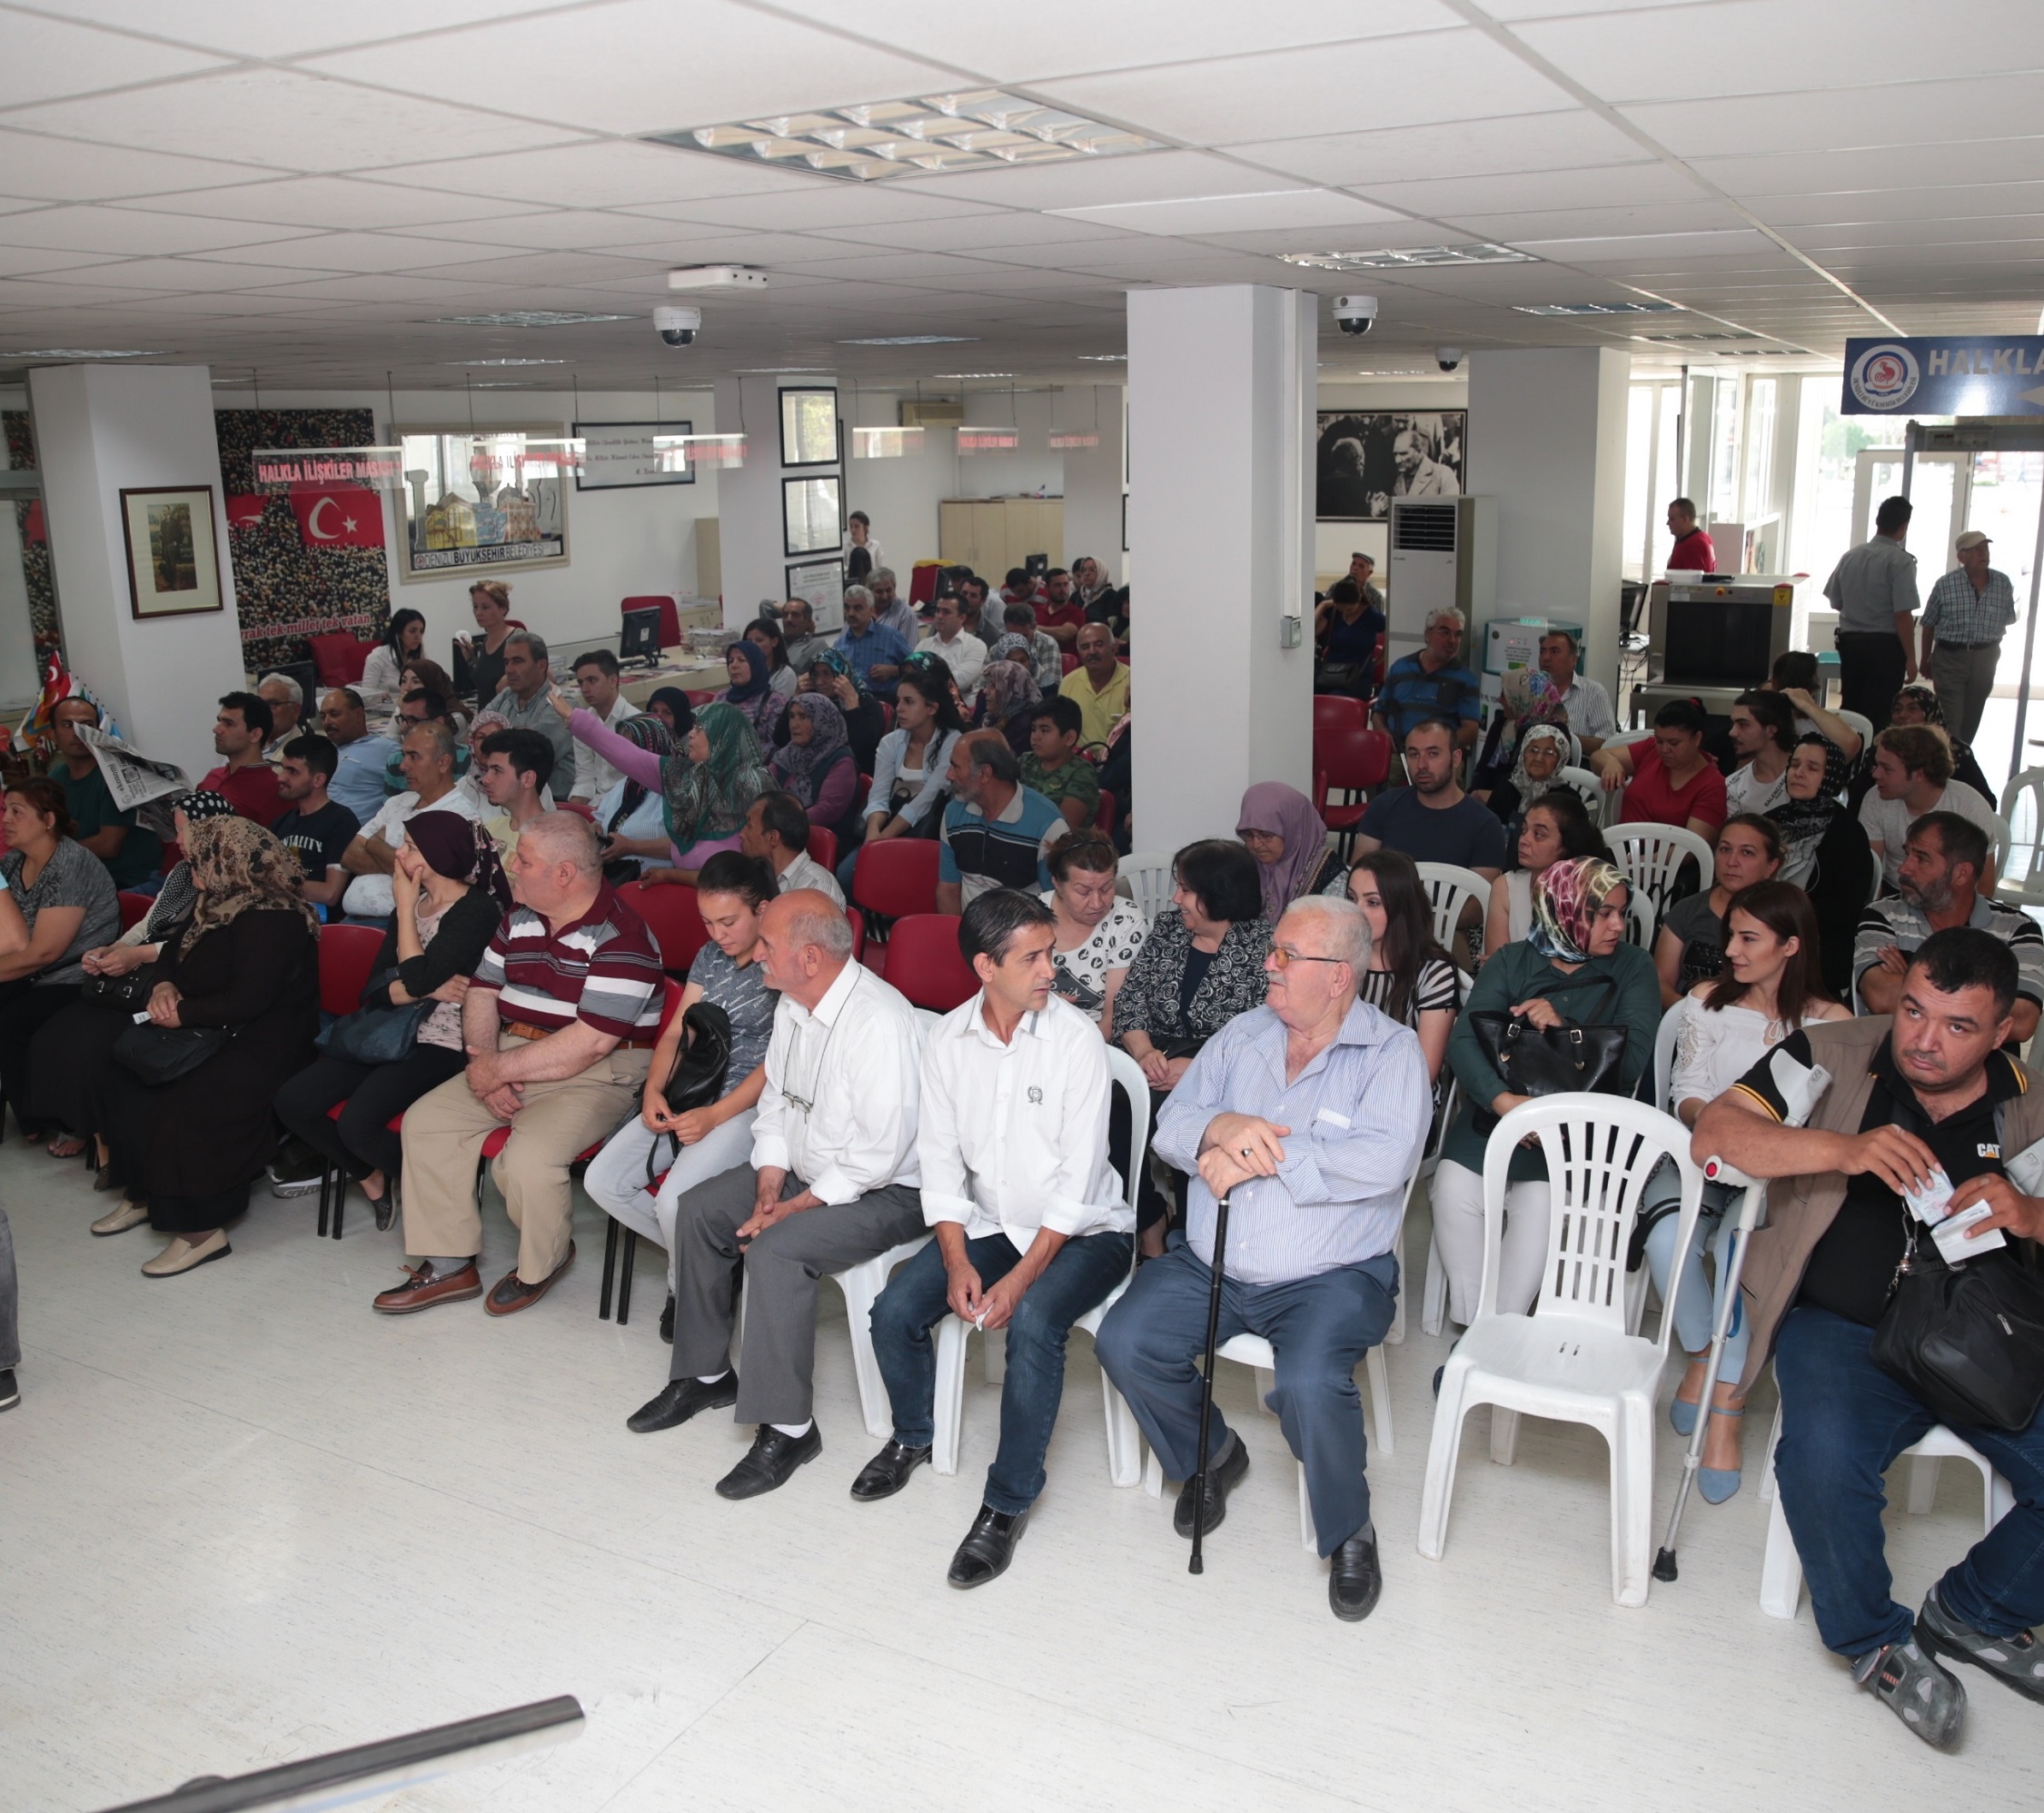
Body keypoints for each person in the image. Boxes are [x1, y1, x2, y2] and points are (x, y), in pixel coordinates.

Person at [1692, 928, 2044, 1751]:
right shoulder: (1830, 1051)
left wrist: (2030, 1215)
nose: (1923, 1039)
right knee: (1819, 1461)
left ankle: (1975, 1612)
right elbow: (1716, 1133)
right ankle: (1873, 1640)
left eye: (1958, 1026)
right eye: (1915, 1009)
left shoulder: (2031, 1104)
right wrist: (1844, 1149)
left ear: (2004, 1032)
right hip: (1843, 1328)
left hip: (1983, 1332)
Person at [1097, 895, 1430, 1621]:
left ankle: (1349, 1529)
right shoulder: (1242, 1036)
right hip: (1214, 1258)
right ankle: (1211, 1454)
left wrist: (1256, 1154)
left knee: (1310, 1382)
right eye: (1271, 951)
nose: (1267, 965)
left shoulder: (1391, 1052)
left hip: (1332, 1276)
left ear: (1339, 975)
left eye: (1285, 956)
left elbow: (1385, 1159)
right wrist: (1222, 1125)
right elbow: (1171, 1128)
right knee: (1125, 1340)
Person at [858, 889, 1133, 1584]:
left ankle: (1006, 1504)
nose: (1052, 970)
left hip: (1087, 1231)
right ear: (986, 966)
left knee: (1035, 1322)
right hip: (990, 1223)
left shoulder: (1076, 1042)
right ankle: (912, 1437)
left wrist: (1018, 1278)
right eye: (1033, 957)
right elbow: (942, 1166)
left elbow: (1075, 1186)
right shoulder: (947, 1041)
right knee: (893, 1311)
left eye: (1051, 953)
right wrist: (955, 1260)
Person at [625, 892, 928, 1501]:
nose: (755, 954)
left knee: (778, 1249)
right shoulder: (795, 1003)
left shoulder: (881, 1022)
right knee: (703, 1210)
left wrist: (797, 1204)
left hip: (887, 1189)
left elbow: (881, 1151)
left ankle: (790, 1428)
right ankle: (705, 1373)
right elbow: (779, 1105)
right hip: (808, 1169)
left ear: (810, 958)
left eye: (768, 945)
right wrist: (770, 1174)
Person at [372, 813, 663, 1317]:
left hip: (598, 1073)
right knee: (426, 1124)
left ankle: (543, 1261)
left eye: (524, 860)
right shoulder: (520, 916)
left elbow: (590, 1044)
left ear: (564, 873)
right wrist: (485, 1063)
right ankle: (449, 1263)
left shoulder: (625, 936)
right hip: (510, 1051)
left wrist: (497, 1071)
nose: (511, 865)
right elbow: (483, 990)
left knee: (526, 1161)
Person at [1647, 882, 1851, 1499]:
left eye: (1747, 939)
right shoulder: (1706, 1001)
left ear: (1790, 946)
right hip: (1704, 1154)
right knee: (1664, 1239)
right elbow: (1686, 1090)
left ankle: (1724, 1411)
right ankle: (1709, 1359)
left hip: (1783, 1175)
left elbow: (1825, 1121)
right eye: (1731, 934)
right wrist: (1722, 1132)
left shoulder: (1832, 1022)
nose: (1730, 949)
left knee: (1744, 1257)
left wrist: (1765, 1149)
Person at [1432, 857, 1661, 1323]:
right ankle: (1478, 1325)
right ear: (1564, 910)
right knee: (1453, 1189)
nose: (1618, 925)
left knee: (1541, 1204)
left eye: (1622, 912)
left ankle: (1498, 1328)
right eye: (1604, 914)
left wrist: (1565, 1028)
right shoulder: (1514, 960)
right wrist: (1506, 1105)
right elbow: (1462, 1042)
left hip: (1578, 1130)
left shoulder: (1634, 968)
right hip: (1497, 1114)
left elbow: (1633, 1062)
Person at [98, 816, 320, 1277]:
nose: (187, 860)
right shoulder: (216, 901)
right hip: (208, 1026)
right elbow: (171, 955)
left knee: (187, 1101)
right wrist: (162, 989)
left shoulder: (274, 917)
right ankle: (143, 1192)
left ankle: (200, 1231)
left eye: (198, 855)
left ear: (228, 859)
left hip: (261, 1041)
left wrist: (185, 1013)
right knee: (126, 1078)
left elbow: (250, 999)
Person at [273, 813, 509, 1231]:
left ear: (441, 854)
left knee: (357, 1123)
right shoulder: (413, 901)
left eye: (412, 847)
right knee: (293, 1101)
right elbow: (374, 989)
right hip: (387, 1027)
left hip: (443, 1042)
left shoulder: (476, 910)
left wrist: (404, 919)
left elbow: (410, 977)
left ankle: (440, 1184)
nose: (399, 854)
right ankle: (370, 1175)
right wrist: (424, 986)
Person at [583, 851, 779, 1332]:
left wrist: (716, 1116)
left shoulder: (782, 962)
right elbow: (676, 1032)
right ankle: (711, 1264)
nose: (717, 934)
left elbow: (781, 1063)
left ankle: (684, 1285)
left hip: (746, 1105)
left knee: (675, 1204)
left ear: (764, 910)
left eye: (729, 921)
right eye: (708, 922)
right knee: (602, 1181)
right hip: (695, 1086)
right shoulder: (711, 956)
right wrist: (654, 1090)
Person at [27, 792, 234, 1195]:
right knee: (55, 1037)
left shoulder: (227, 877)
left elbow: (202, 944)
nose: (177, 840)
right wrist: (115, 949)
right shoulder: (181, 873)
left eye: (183, 830)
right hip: (143, 966)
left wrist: (137, 955)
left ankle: (110, 1149)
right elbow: (149, 922)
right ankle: (86, 1127)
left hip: (180, 975)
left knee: (96, 1050)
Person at [1113, 840, 1273, 1253]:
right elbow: (1131, 999)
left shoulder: (1264, 946)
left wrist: (1200, 1065)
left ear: (1217, 893)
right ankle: (1149, 1218)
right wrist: (1143, 1051)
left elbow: (1268, 1032)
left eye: (1185, 889)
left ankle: (1190, 1233)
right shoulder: (1168, 928)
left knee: (1195, 1119)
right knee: (1107, 1111)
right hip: (1154, 1057)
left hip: (1230, 1066)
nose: (1175, 898)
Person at [0, 778, 121, 1143]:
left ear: (48, 819)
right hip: (33, 972)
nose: (6, 819)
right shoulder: (12, 861)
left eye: (16, 811)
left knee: (12, 1024)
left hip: (75, 974)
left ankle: (40, 1121)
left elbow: (46, 952)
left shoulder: (71, 863)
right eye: (5, 810)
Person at [1855, 811, 2042, 1044]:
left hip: (1986, 1073)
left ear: (1961, 873)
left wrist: (1911, 980)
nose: (1903, 868)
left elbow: (2022, 1022)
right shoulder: (1883, 914)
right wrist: (1981, 999)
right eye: (1907, 854)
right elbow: (1881, 996)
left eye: (1921, 858)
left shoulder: (2018, 930)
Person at [561, 694, 769, 887]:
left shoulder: (754, 786)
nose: (691, 734)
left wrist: (667, 873)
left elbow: (742, 873)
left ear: (721, 738)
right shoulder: (686, 778)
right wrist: (576, 720)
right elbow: (629, 756)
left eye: (700, 728)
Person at [1769, 734, 1877, 999]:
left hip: (1818, 946)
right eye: (1794, 765)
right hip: (1763, 932)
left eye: (1812, 768)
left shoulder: (1848, 833)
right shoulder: (1769, 822)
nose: (1799, 773)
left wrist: (1785, 922)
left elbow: (1846, 910)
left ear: (1830, 777)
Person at [339, 722, 481, 922]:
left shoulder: (459, 815)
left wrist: (373, 844)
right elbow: (349, 856)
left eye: (413, 756)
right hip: (354, 919)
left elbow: (424, 878)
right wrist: (401, 866)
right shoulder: (398, 802)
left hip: (407, 925)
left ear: (443, 763)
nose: (403, 765)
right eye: (404, 755)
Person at [842, 670, 965, 898]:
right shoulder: (891, 741)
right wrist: (872, 836)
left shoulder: (952, 741)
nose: (899, 708)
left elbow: (926, 800)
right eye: (898, 701)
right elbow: (878, 796)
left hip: (929, 830)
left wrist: (884, 838)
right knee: (846, 876)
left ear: (932, 708)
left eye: (909, 702)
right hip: (888, 819)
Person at [1344, 849, 1459, 1085]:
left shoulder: (1434, 973)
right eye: (1352, 898)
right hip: (1337, 1090)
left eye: (1373, 902)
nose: (1357, 911)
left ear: (1401, 907)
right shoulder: (1337, 958)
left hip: (1401, 1099)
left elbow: (1423, 1074)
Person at [1654, 813, 1783, 1006]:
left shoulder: (1784, 918)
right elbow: (1661, 984)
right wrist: (1695, 1017)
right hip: (1687, 1018)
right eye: (1724, 849)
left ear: (1771, 866)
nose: (1732, 861)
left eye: (1747, 852)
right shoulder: (1687, 910)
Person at [1354, 719, 1507, 881]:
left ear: (1455, 759)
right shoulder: (1383, 806)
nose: (1421, 765)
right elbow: (1360, 877)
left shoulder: (1486, 825)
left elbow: (1479, 898)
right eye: (1414, 755)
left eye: (1433, 754)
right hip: (1387, 905)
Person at [935, 731, 1068, 915]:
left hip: (1022, 934)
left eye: (956, 767)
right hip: (967, 934)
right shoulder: (953, 813)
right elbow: (948, 889)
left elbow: (1058, 902)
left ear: (984, 773)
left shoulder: (1048, 823)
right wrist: (956, 939)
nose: (949, 775)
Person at [1858, 724, 2000, 893]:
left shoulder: (1969, 807)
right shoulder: (1875, 798)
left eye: (1886, 769)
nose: (1876, 774)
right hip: (1895, 893)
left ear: (1919, 774)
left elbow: (1983, 886)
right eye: (1877, 765)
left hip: (1950, 899)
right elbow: (1870, 873)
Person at [39, 696, 160, 890]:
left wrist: (50, 851)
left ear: (99, 732)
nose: (78, 733)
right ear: (53, 735)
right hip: (80, 875)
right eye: (68, 725)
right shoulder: (55, 777)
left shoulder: (118, 775)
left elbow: (108, 846)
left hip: (127, 882)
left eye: (87, 725)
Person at [1826, 495, 1920, 728]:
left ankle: (1850, 760)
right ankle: (1874, 761)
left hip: (1852, 646)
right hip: (1885, 649)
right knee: (1880, 713)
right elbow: (1902, 615)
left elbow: (1836, 601)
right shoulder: (1901, 562)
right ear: (1903, 527)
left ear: (1877, 521)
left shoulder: (1850, 556)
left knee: (1851, 708)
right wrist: (1911, 657)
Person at [1920, 530, 2018, 746]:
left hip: (1986, 657)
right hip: (1950, 657)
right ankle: (1948, 764)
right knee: (1951, 718)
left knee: (1972, 716)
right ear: (1961, 557)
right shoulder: (1945, 585)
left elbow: (2008, 619)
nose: (1984, 553)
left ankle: (1960, 758)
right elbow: (1928, 624)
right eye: (1977, 550)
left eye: (1986, 548)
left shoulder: (2002, 583)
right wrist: (1925, 659)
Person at [1042, 831, 1146, 1035]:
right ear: (1057, 884)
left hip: (1097, 1038)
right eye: (1083, 892)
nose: (1097, 903)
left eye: (1107, 889)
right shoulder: (1028, 917)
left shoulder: (1126, 920)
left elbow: (1113, 1016)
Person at [1483, 788, 1610, 954]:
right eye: (1524, 830)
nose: (1524, 840)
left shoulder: (1592, 892)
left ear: (1567, 844)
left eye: (1539, 835)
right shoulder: (1506, 887)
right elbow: (1497, 966)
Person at [1591, 697, 1728, 837]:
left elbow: (1691, 849)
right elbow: (1598, 756)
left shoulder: (1712, 785)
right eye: (1659, 741)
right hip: (1621, 848)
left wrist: (1641, 859)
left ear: (1697, 739)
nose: (1664, 749)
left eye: (1674, 743)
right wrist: (1610, 763)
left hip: (1667, 858)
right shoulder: (1651, 749)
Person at [480, 629, 575, 798]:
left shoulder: (561, 705)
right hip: (506, 798)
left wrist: (496, 738)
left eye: (517, 661)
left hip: (550, 803)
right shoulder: (505, 696)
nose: (509, 670)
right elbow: (477, 734)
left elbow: (527, 757)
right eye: (506, 662)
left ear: (541, 666)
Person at [269, 734, 358, 911]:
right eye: (283, 768)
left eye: (292, 772)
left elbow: (330, 893)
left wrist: (275, 883)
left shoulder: (341, 821)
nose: (281, 777)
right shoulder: (280, 823)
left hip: (320, 923)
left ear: (318, 780)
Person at [1373, 609, 1482, 750]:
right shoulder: (1400, 668)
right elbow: (1378, 714)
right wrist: (1384, 735)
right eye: (1445, 632)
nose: (1452, 640)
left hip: (1441, 756)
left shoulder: (1466, 679)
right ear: (1427, 635)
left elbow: (1471, 729)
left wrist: (1438, 749)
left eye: (1458, 634)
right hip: (1398, 753)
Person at [770, 693, 859, 851]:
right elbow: (763, 783)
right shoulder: (787, 753)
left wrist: (776, 823)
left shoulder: (841, 760)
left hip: (821, 843)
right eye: (792, 716)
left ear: (822, 722)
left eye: (803, 717)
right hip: (780, 835)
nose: (794, 724)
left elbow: (826, 810)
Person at [1238, 781, 1344, 915]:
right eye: (1248, 834)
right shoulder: (1243, 866)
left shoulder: (1331, 877)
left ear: (1293, 831)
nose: (1255, 844)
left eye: (1266, 835)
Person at [1879, 682, 1995, 803]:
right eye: (1897, 709)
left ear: (1930, 713)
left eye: (1912, 708)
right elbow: (1860, 797)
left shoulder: (1956, 751)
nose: (1902, 715)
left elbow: (1987, 802)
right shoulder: (1882, 748)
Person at [591, 715, 674, 879]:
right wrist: (594, 831)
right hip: (615, 877)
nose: (624, 756)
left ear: (652, 747)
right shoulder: (625, 784)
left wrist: (632, 847)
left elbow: (689, 848)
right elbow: (599, 821)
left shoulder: (680, 789)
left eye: (631, 749)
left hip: (656, 883)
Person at [739, 790, 844, 906]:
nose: (742, 834)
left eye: (749, 826)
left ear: (772, 838)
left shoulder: (817, 889)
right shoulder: (750, 878)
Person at [1476, 721, 1570, 842]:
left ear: (1561, 759)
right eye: (1533, 750)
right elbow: (1488, 835)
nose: (1539, 758)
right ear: (1523, 753)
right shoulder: (1507, 789)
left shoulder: (1567, 800)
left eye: (1549, 753)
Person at [1018, 696, 1100, 834]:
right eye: (1033, 729)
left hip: (1058, 850)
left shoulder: (1082, 773)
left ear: (1069, 738)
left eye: (1045, 730)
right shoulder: (1025, 761)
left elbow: (1061, 830)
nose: (1035, 736)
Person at [567, 649, 640, 801]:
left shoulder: (636, 721)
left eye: (592, 680)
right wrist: (574, 810)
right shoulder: (582, 722)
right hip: (595, 804)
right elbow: (585, 776)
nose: (585, 689)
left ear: (613, 681)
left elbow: (639, 782)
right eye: (581, 682)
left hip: (628, 804)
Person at [200, 692, 284, 823]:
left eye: (228, 723)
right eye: (219, 721)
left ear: (255, 734)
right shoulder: (213, 776)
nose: (216, 729)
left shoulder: (273, 789)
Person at [318, 688, 398, 825]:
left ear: (359, 714)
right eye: (323, 716)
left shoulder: (387, 750)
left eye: (334, 714)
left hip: (355, 836)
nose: (327, 722)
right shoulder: (323, 750)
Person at [1532, 629, 1615, 755]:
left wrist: (1561, 737)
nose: (1546, 658)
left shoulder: (1593, 692)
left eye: (1555, 651)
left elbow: (1606, 743)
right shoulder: (1529, 691)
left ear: (1573, 660)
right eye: (1542, 651)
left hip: (1576, 768)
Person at [474, 727, 555, 857]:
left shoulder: (555, 841)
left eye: (497, 771)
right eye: (488, 770)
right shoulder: (490, 830)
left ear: (528, 779)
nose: (485, 779)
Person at [1722, 689, 1799, 817]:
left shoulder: (1807, 773)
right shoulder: (1733, 786)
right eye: (1734, 724)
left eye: (1743, 724)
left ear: (1771, 730)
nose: (1732, 732)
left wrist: (1808, 705)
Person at [1062, 621, 1129, 753]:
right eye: (1085, 647)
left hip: (1120, 762)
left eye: (1099, 644)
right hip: (1078, 762)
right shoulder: (1068, 682)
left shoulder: (1132, 683)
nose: (1092, 651)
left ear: (1114, 648)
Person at [836, 584, 909, 701]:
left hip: (885, 701)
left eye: (857, 608)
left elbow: (917, 666)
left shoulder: (890, 636)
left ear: (871, 610)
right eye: (847, 608)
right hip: (852, 703)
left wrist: (894, 670)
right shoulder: (839, 645)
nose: (850, 613)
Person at [1313, 579, 1384, 698]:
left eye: (1350, 609)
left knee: (1335, 698)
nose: (1346, 612)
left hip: (1357, 678)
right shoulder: (1334, 612)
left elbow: (1390, 641)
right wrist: (1323, 605)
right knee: (1308, 692)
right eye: (1341, 609)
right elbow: (1311, 631)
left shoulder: (1373, 616)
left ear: (1359, 599)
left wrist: (1376, 662)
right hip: (1330, 673)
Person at [456, 580, 516, 705]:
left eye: (486, 607)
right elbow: (483, 681)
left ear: (503, 609)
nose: (478, 613)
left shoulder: (517, 639)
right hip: (486, 717)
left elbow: (545, 674)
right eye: (475, 607)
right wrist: (469, 658)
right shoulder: (486, 642)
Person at [720, 637, 787, 748]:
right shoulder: (722, 697)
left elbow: (776, 747)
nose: (734, 666)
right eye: (730, 661)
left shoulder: (775, 702)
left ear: (756, 665)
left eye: (741, 660)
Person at [915, 593, 987, 696]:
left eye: (946, 612)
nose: (939, 616)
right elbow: (910, 676)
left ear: (962, 618)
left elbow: (959, 682)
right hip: (923, 706)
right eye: (938, 611)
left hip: (958, 709)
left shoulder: (976, 646)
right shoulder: (924, 644)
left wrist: (923, 677)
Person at [361, 607, 426, 704]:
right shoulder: (377, 657)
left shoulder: (419, 656)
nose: (418, 636)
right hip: (385, 711)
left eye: (421, 631)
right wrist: (380, 698)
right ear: (399, 632)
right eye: (412, 631)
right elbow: (366, 697)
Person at [1002, 600, 1063, 696]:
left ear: (1034, 626)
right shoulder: (998, 646)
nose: (1018, 642)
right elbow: (984, 683)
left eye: (1024, 636)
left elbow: (1050, 688)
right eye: (1013, 635)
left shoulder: (1048, 644)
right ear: (1006, 628)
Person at [1393, 426, 1458, 498]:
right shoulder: (1397, 480)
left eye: (1403, 454)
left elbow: (1452, 507)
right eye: (1395, 454)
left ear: (1419, 451)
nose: (1397, 460)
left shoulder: (1443, 474)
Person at [745, 616, 799, 701]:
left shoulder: (785, 675)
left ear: (774, 642)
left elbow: (773, 711)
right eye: (749, 641)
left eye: (759, 640)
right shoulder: (744, 671)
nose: (753, 645)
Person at [256, 672, 307, 757]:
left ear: (295, 710)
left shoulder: (304, 754)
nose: (263, 710)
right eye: (260, 704)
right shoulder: (246, 744)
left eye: (272, 704)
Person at [778, 597, 831, 675]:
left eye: (795, 615)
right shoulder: (775, 640)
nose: (788, 619)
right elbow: (765, 606)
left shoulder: (816, 645)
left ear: (808, 621)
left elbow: (829, 675)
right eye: (785, 615)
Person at [1035, 568, 1086, 649]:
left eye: (1065, 584)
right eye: (1057, 585)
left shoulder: (1076, 612)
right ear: (1046, 588)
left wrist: (1035, 629)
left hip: (1066, 660)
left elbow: (1064, 634)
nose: (1063, 590)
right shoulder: (1037, 611)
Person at [1664, 497, 1716, 573]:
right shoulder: (1703, 537)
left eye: (1672, 519)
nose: (1668, 523)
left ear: (1685, 519)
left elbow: (1693, 582)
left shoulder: (1692, 544)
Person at [868, 567, 918, 644]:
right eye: (879, 592)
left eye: (888, 590)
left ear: (894, 588)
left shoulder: (906, 614)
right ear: (869, 591)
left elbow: (908, 652)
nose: (885, 596)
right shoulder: (862, 610)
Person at [843, 509, 885, 583]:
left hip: (872, 583)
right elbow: (842, 568)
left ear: (865, 528)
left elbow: (880, 568)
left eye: (857, 526)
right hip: (852, 584)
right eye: (851, 526)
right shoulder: (845, 546)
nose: (853, 530)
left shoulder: (875, 545)